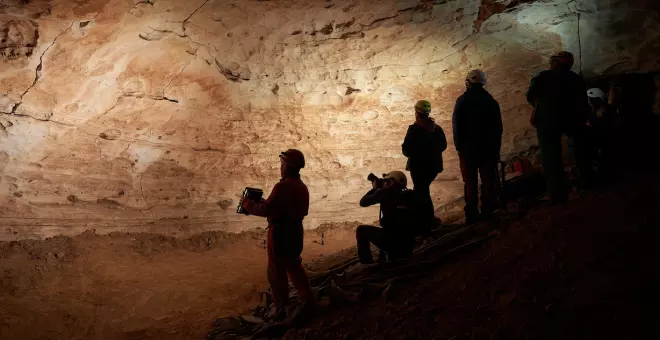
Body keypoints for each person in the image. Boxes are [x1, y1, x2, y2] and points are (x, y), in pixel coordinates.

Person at [240, 149, 314, 320]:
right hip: (296, 232)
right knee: (294, 265)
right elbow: (279, 205)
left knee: (276, 271)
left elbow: (267, 209)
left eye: (282, 164)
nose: (280, 167)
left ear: (288, 166)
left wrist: (247, 203)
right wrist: (265, 202)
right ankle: (308, 299)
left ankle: (281, 309)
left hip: (281, 233)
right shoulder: (302, 187)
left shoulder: (283, 186)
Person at [526, 51, 591, 204]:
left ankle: (557, 194)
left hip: (548, 120)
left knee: (551, 157)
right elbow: (583, 102)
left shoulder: (543, 77)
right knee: (580, 150)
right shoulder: (577, 79)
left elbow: (531, 96)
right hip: (572, 118)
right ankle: (586, 183)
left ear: (555, 62)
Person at [452, 69, 503, 223]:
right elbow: (498, 127)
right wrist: (495, 148)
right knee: (488, 180)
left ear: (469, 82)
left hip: (468, 149)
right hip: (488, 149)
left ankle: (472, 215)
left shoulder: (462, 101)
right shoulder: (491, 101)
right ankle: (488, 211)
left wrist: (459, 147)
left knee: (470, 182)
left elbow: (457, 125)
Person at [401, 100, 448, 232]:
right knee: (423, 192)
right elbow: (443, 146)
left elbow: (406, 151)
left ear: (417, 112)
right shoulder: (436, 128)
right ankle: (426, 222)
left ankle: (426, 224)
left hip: (419, 168)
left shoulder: (414, 129)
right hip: (433, 167)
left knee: (422, 194)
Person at [355, 171, 418, 264]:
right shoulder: (411, 195)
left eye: (387, 181)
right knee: (390, 230)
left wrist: (375, 189)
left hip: (393, 243)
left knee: (361, 230)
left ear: (391, 182)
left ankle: (366, 264)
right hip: (408, 246)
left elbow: (363, 202)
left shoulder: (386, 192)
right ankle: (384, 260)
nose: (385, 183)